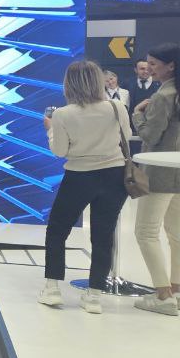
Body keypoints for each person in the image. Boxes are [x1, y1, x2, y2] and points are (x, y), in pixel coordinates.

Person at [38, 61, 132, 314]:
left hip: (79, 176)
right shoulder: (116, 107)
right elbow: (126, 136)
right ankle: (94, 295)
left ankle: (52, 288)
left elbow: (59, 151)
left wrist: (50, 131)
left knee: (57, 230)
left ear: (69, 83)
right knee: (103, 235)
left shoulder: (62, 114)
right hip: (114, 175)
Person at [133, 42, 180, 317]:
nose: (148, 68)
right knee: (176, 233)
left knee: (146, 232)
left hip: (160, 172)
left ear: (170, 65)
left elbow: (150, 135)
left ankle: (163, 296)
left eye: (153, 64)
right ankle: (176, 290)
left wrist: (138, 115)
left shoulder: (164, 96)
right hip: (178, 172)